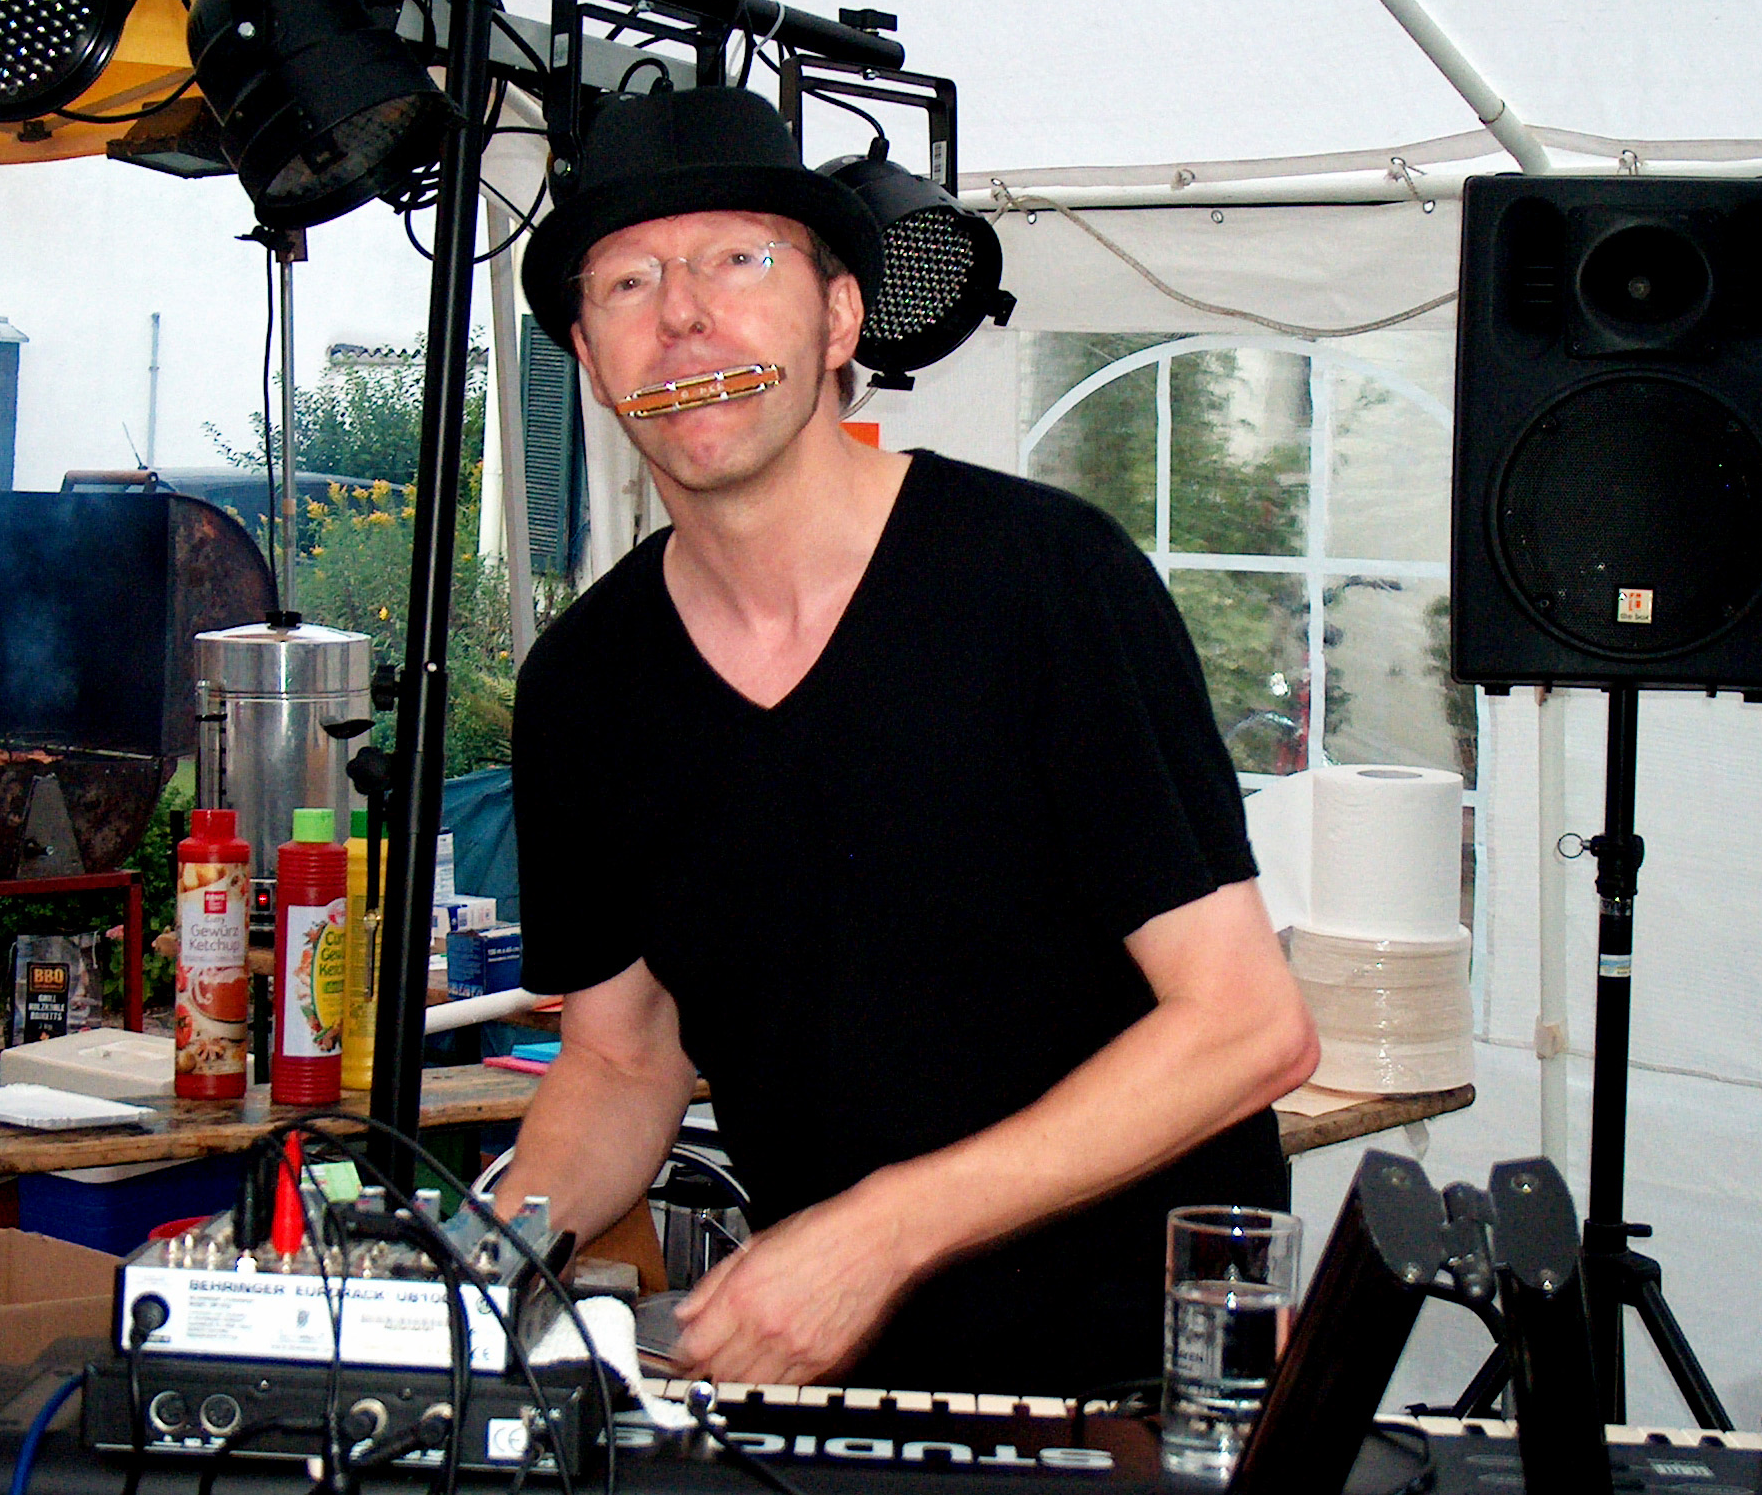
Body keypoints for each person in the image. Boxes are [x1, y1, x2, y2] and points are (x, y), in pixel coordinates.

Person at [497, 85, 1318, 1394]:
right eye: (629, 283)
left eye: (737, 260)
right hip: (848, 1396)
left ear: (839, 319)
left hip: (1145, 1387)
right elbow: (619, 1055)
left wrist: (880, 1233)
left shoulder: (1045, 582)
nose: (683, 314)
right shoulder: (586, 686)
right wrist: (483, 1256)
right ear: (593, 361)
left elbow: (1246, 1027)